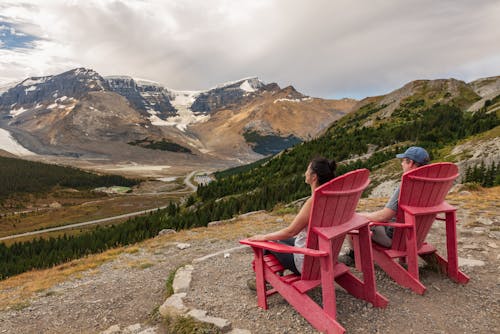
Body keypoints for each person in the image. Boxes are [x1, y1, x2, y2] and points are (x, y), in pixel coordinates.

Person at [247, 157, 337, 275]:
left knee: (268, 243)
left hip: (307, 263)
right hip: (325, 255)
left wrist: (264, 237)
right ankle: (270, 273)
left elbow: (291, 231)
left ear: (314, 177)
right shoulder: (332, 198)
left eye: (307, 170)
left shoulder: (313, 202)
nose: (305, 173)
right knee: (278, 238)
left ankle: (261, 277)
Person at [340, 146, 430, 264]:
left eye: (403, 160)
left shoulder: (407, 184)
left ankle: (353, 256)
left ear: (411, 163)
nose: (402, 163)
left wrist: (358, 215)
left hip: (394, 238)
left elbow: (383, 216)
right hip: (416, 236)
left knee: (350, 220)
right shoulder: (429, 185)